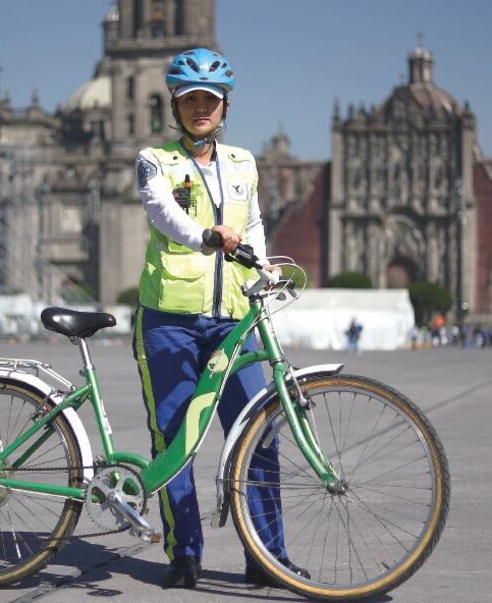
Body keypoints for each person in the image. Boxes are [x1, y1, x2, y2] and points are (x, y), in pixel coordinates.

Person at [131, 48, 307, 590]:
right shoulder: (154, 160)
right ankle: (184, 554)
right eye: (190, 100)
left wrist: (263, 266)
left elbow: (251, 225)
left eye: (210, 99)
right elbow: (164, 213)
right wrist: (205, 236)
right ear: (175, 107)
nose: (200, 108)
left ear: (225, 105)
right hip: (170, 320)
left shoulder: (242, 163)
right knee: (174, 440)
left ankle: (267, 557)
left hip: (233, 318)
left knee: (258, 435)